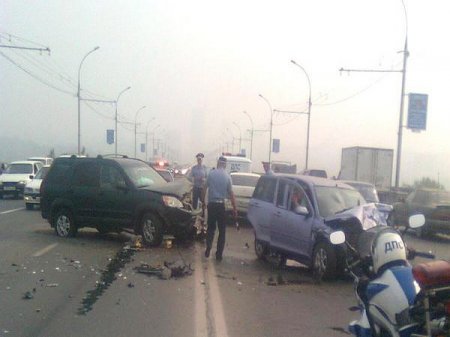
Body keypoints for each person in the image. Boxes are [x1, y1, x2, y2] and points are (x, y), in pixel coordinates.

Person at [203, 156, 237, 261]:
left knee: (211, 228)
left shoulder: (211, 174)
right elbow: (231, 193)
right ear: (225, 165)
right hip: (221, 206)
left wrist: (203, 202)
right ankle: (219, 255)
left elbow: (204, 188)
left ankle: (208, 247)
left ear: (218, 163)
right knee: (222, 231)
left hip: (212, 205)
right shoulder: (227, 177)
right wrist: (234, 208)